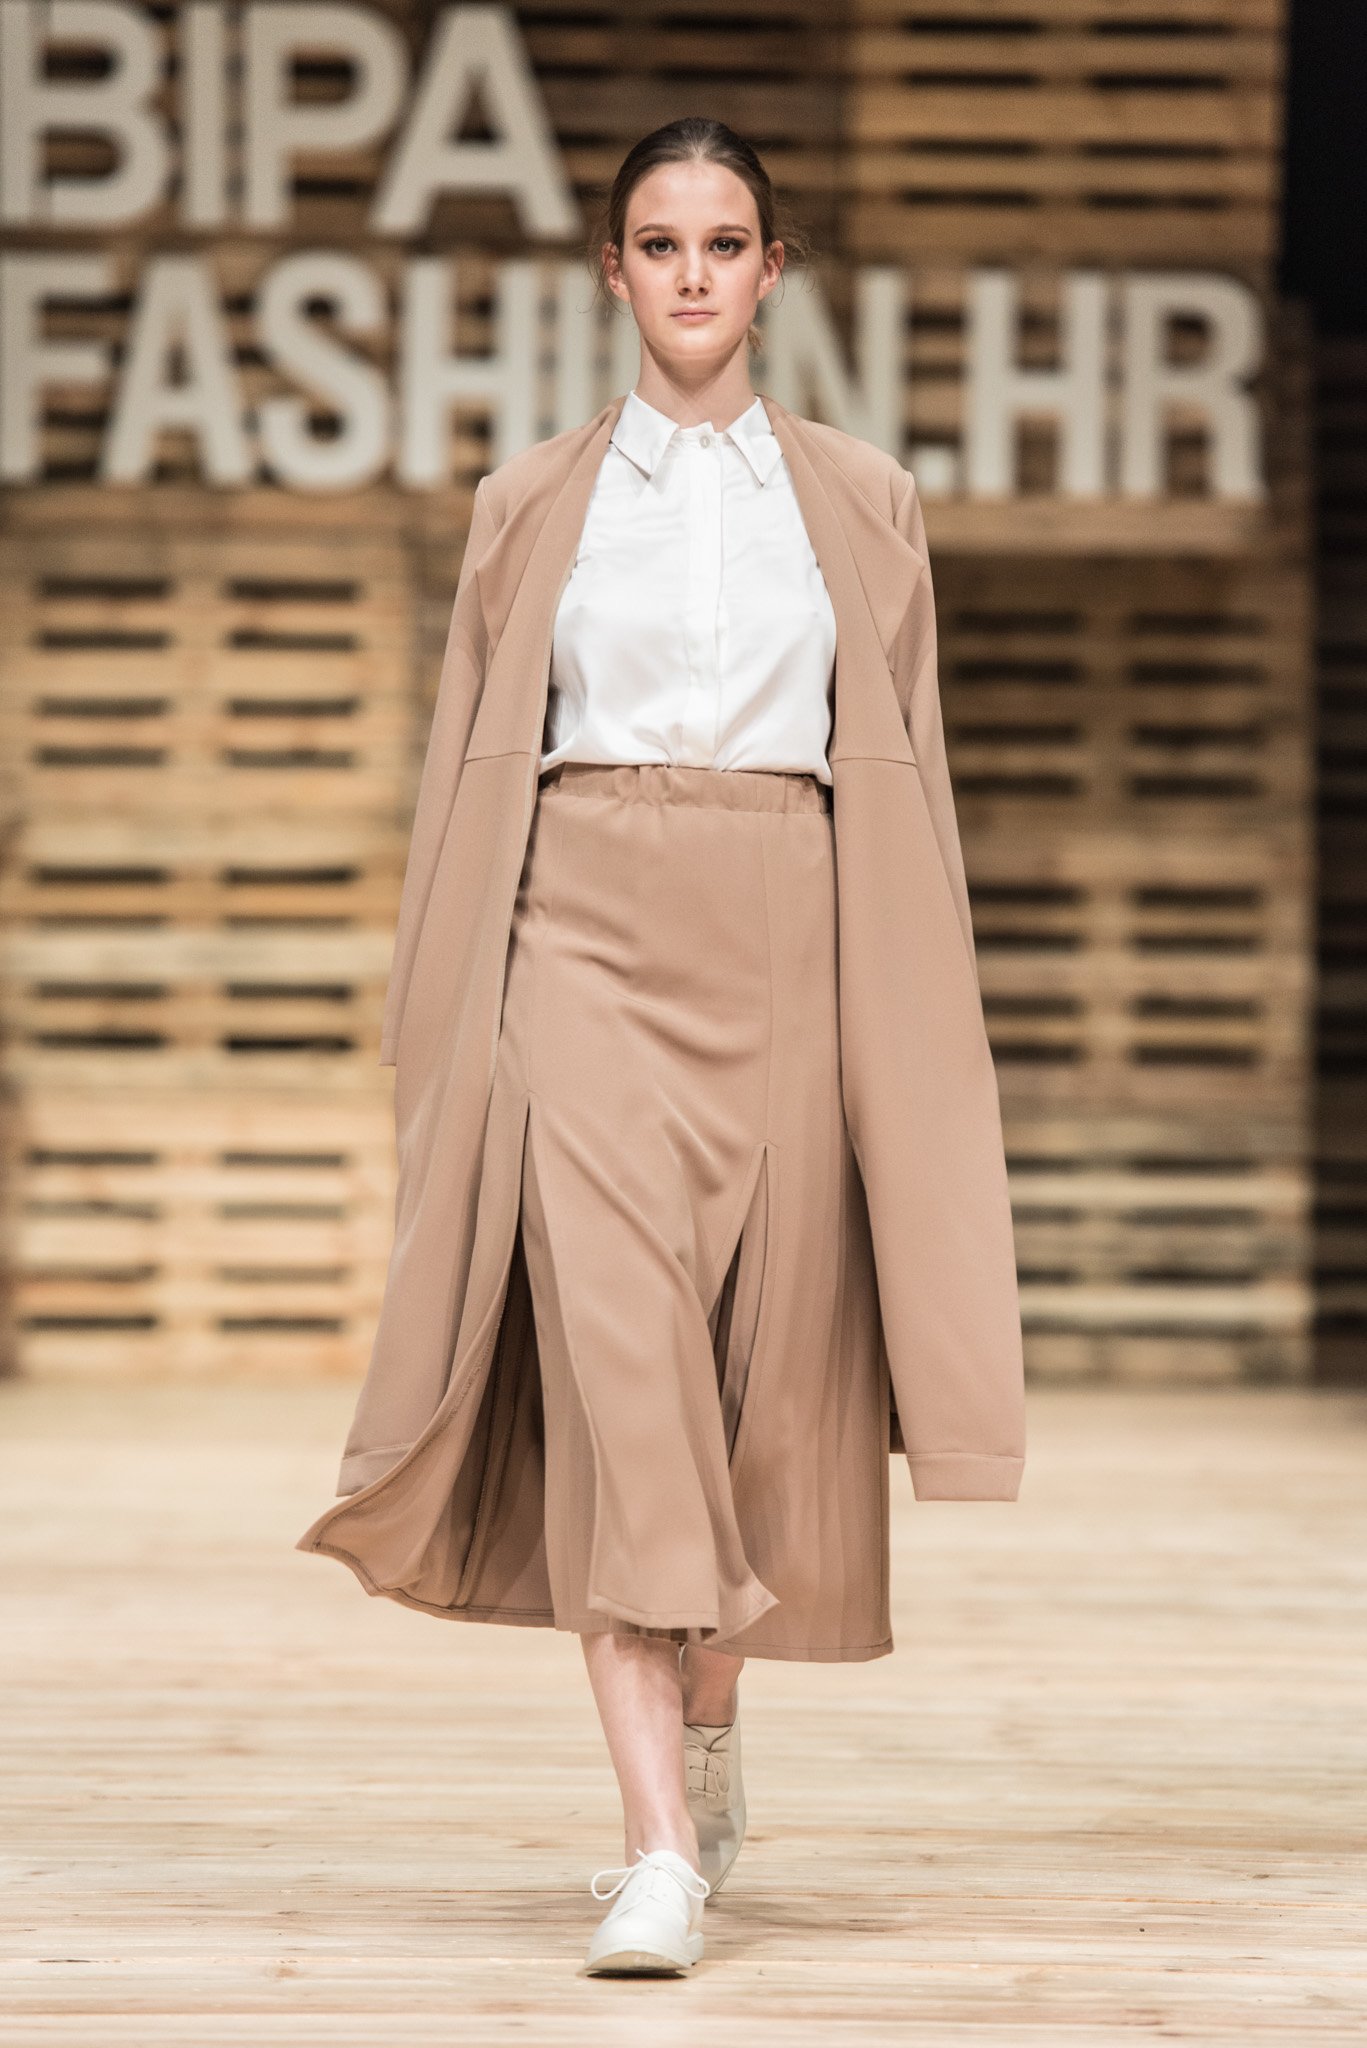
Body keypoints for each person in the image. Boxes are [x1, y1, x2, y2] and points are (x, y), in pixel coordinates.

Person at [296, 114, 1026, 1980]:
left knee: (763, 1405)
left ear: (772, 271)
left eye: (723, 243)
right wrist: (451, 1014)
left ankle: (706, 1734)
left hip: (792, 930)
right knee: (624, 1385)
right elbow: (468, 772)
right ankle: (656, 1854)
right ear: (611, 271)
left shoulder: (864, 500)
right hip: (583, 930)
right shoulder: (529, 503)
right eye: (658, 242)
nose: (691, 273)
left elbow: (907, 779)